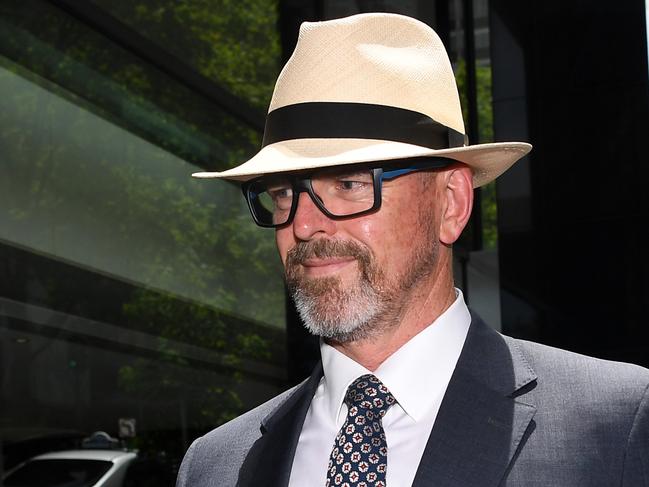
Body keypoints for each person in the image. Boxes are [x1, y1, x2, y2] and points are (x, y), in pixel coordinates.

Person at [177, 12, 649, 487]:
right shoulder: (214, 465)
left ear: (451, 203)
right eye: (282, 192)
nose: (302, 224)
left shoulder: (617, 426)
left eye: (349, 183)